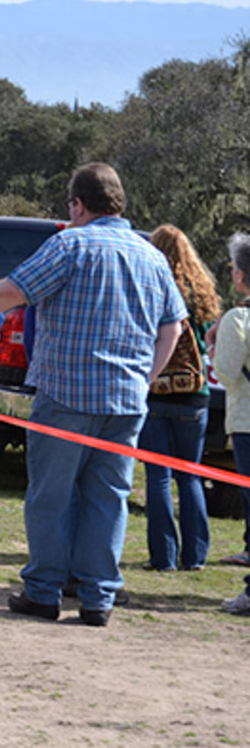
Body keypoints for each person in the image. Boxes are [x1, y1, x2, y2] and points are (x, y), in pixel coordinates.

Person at [0, 163, 185, 626]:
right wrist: (146, 377)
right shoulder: (151, 254)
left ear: (77, 204)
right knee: (107, 499)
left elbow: (14, 291)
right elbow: (174, 325)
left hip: (66, 394)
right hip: (126, 401)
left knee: (50, 497)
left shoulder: (70, 244)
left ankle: (44, 591)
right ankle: (98, 599)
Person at [137, 225, 221, 572]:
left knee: (157, 475)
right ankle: (196, 557)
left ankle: (164, 557)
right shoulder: (201, 291)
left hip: (156, 391)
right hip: (194, 395)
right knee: (190, 475)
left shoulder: (152, 286)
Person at [212, 232, 250, 581]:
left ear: (240, 275)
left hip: (246, 421)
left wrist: (213, 346)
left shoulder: (238, 320)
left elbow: (225, 371)